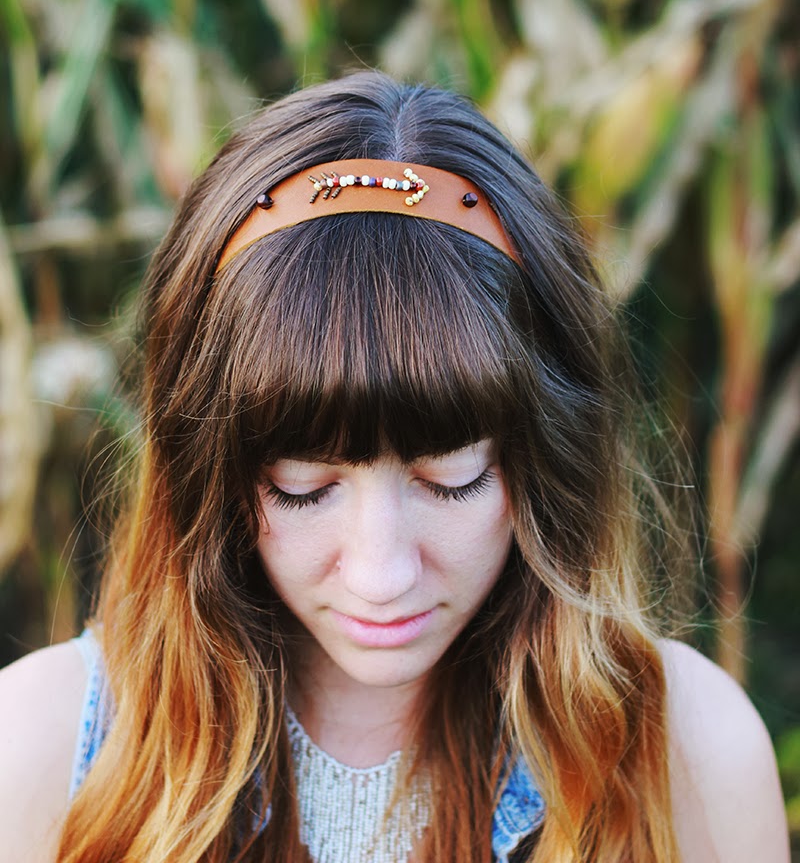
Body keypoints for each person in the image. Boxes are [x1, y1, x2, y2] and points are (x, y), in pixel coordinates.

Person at [0, 71, 789, 863]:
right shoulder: (41, 748)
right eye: (302, 487)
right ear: (207, 465)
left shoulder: (687, 750)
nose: (381, 574)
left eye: (453, 477)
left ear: (550, 454)